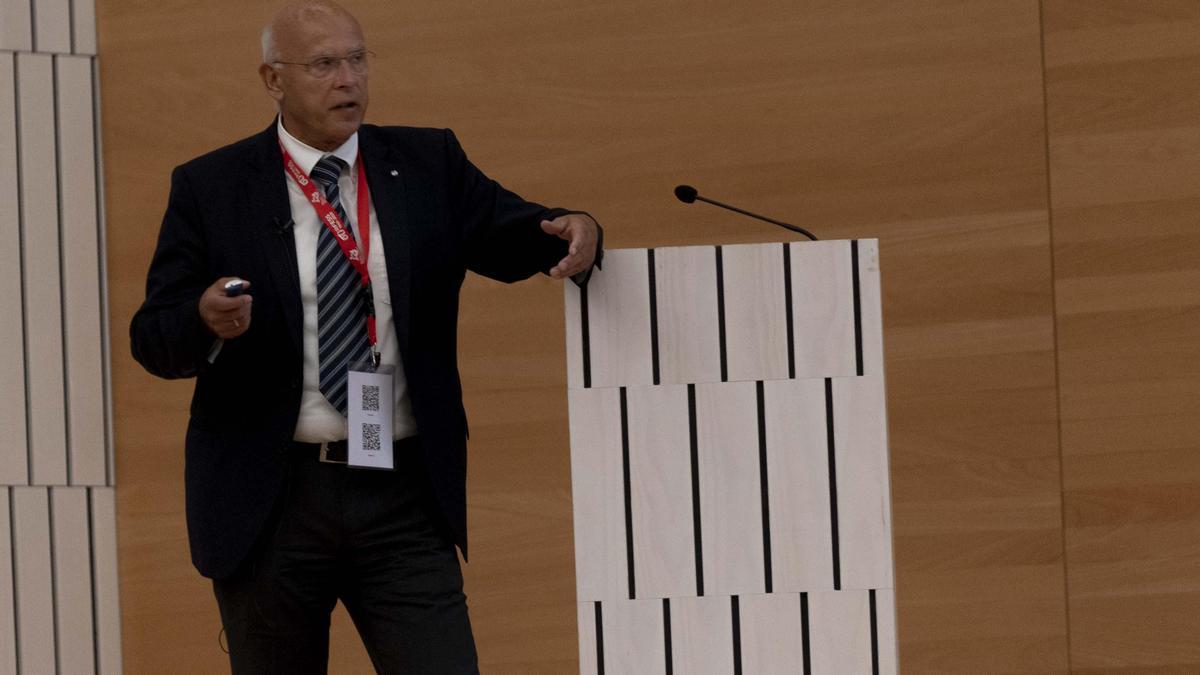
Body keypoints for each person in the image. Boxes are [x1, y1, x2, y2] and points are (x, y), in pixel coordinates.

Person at [129, 1, 601, 672]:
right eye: (323, 64)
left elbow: (518, 232)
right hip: (272, 501)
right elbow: (152, 336)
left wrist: (578, 225)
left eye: (357, 59)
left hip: (400, 491)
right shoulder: (212, 186)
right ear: (273, 80)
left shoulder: (427, 161)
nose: (347, 79)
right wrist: (203, 320)